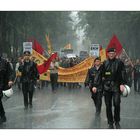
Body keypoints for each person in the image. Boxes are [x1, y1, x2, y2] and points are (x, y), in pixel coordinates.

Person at [102, 47, 127, 129]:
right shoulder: (104, 63)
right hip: (107, 86)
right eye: (110, 53)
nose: (111, 55)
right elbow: (101, 75)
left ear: (115, 54)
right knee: (108, 105)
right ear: (108, 54)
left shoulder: (120, 63)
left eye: (113, 53)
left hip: (116, 85)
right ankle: (110, 122)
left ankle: (117, 121)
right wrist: (96, 85)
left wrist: (122, 84)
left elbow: (123, 73)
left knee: (116, 104)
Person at [0, 54, 14, 124]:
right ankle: (2, 115)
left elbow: (11, 72)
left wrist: (10, 80)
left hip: (2, 85)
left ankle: (2, 116)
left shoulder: (5, 62)